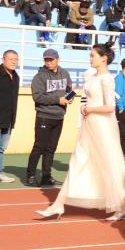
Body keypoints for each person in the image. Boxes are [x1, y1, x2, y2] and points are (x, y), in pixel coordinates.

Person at [36, 45, 125, 219]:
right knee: (78, 161)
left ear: (103, 58)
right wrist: (85, 107)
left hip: (102, 127)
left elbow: (110, 107)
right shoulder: (92, 76)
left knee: (107, 165)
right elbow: (88, 98)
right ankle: (58, 204)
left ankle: (122, 205)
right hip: (89, 125)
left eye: (93, 55)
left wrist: (90, 109)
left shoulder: (107, 79)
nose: (90, 58)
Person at [26, 49, 73, 188]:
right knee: (39, 147)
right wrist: (58, 100)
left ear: (58, 59)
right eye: (46, 60)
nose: (48, 62)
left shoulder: (65, 73)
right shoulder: (39, 77)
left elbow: (69, 90)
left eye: (51, 59)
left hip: (59, 116)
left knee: (51, 148)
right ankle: (30, 176)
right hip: (44, 116)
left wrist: (69, 98)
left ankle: (46, 176)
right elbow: (37, 97)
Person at [0, 50, 20, 184]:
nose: (14, 62)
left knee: (1, 148)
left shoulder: (16, 76)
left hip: (8, 118)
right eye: (10, 59)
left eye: (16, 59)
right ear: (3, 60)